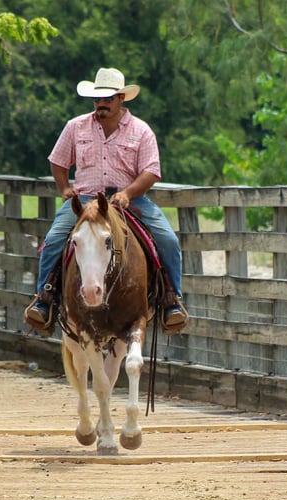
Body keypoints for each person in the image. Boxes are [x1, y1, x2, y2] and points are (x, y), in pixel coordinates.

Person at [26, 67, 188, 333]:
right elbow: (58, 161)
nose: (101, 103)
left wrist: (127, 193)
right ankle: (44, 298)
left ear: (121, 98)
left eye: (107, 99)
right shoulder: (76, 127)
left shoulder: (141, 131)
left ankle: (172, 300)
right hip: (86, 199)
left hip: (128, 201)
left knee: (168, 240)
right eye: (97, 99)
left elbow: (151, 171)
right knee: (54, 239)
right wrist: (65, 188)